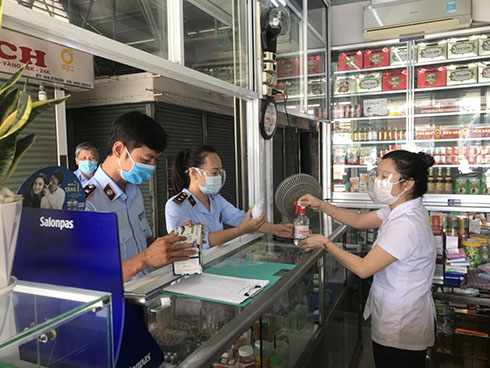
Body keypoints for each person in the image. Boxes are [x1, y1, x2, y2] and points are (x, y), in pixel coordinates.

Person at [298, 150, 436, 368]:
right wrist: (322, 205)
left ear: (408, 184)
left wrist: (325, 243)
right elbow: (360, 220)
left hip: (401, 323)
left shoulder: (406, 224)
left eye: (384, 177)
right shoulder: (399, 209)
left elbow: (363, 268)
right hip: (397, 313)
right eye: (377, 175)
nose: (377, 182)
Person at [84, 111, 197, 282]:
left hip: (146, 290)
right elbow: (88, 275)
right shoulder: (87, 203)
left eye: (155, 160)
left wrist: (173, 241)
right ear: (119, 149)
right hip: (118, 302)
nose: (152, 167)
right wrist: (144, 259)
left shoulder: (134, 193)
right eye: (146, 160)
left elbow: (144, 242)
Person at [165, 144, 293, 248]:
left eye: (220, 172)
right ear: (194, 173)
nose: (218, 177)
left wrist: (277, 229)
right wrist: (240, 230)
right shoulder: (176, 205)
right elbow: (201, 239)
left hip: (215, 264)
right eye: (214, 172)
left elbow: (240, 218)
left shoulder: (215, 199)